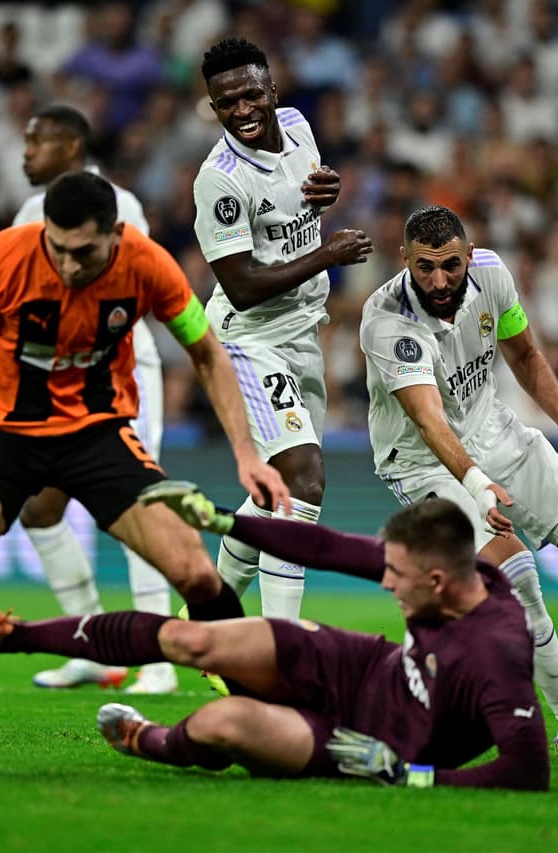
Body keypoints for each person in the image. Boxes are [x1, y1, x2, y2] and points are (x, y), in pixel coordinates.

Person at [0, 171, 289, 766]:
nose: (66, 263)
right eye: (56, 248)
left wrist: (245, 452)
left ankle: (253, 711)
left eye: (83, 252)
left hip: (97, 434)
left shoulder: (147, 264)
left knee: (193, 570)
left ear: (115, 234)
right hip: (2, 431)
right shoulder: (1, 258)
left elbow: (206, 351)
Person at [0, 482, 550, 791]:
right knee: (194, 640)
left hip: (366, 740)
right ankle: (10, 635)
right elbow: (326, 546)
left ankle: (149, 739)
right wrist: (221, 520)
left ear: (439, 581)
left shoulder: (496, 653)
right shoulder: (445, 575)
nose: (385, 580)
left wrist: (409, 775)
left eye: (395, 575)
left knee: (223, 723)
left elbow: (528, 770)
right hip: (359, 668)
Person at [358, 206, 558, 748]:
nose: (439, 280)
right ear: (404, 259)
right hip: (425, 462)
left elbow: (523, 354)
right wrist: (476, 484)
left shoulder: (494, 275)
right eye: (424, 268)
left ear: (469, 256)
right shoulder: (387, 321)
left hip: (498, 433)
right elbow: (428, 420)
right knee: (517, 573)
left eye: (450, 266)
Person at [0, 104, 177, 695]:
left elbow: (126, 284)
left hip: (119, 370)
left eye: (36, 141)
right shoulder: (28, 213)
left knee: (137, 506)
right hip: (52, 383)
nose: (25, 153)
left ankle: (160, 661)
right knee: (41, 508)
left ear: (71, 147)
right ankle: (93, 646)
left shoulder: (117, 204)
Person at [192, 37, 374, 620]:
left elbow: (304, 197)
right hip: (248, 339)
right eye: (226, 104)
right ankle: (280, 647)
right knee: (302, 484)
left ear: (272, 92)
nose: (241, 111)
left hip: (302, 332)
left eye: (250, 96)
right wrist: (328, 255)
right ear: (213, 107)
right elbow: (242, 286)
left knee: (273, 495)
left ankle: (205, 622)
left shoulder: (297, 126)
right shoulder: (217, 181)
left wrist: (329, 192)